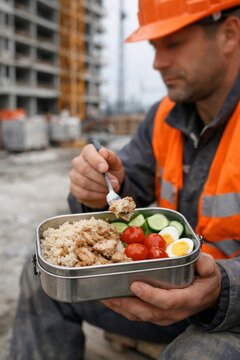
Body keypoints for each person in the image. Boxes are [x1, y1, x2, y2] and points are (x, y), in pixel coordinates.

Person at [10, 0, 240, 359]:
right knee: (45, 275)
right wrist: (99, 190)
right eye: (155, 47)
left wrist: (223, 291)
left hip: (231, 309)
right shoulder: (163, 116)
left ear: (229, 34)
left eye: (174, 44)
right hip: (167, 292)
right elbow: (126, 183)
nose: (157, 63)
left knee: (198, 353)